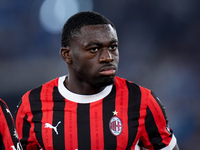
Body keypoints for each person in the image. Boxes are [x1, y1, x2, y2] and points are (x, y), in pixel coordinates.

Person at [15, 11, 179, 150]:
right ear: (67, 55)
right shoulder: (32, 104)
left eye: (113, 47)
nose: (108, 57)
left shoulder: (142, 100)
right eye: (94, 49)